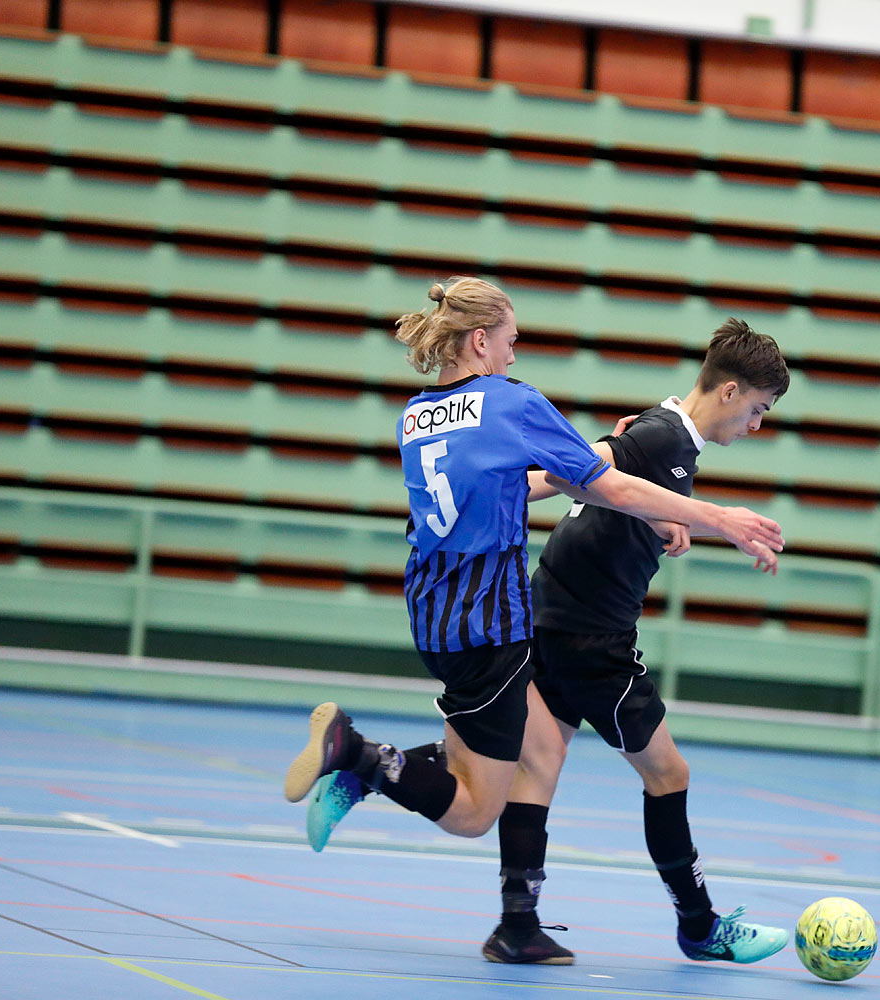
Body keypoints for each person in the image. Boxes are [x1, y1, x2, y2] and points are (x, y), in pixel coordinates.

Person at [307, 317, 794, 969]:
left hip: (549, 616)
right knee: (667, 773)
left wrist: (677, 519)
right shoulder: (658, 434)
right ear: (730, 392)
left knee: (533, 760)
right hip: (592, 635)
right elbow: (582, 468)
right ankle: (700, 927)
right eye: (759, 410)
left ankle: (511, 918)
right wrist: (516, 485)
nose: (757, 425)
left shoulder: (671, 444)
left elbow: (612, 488)